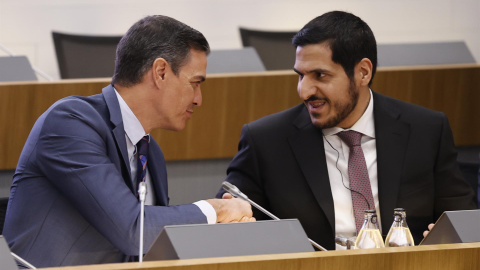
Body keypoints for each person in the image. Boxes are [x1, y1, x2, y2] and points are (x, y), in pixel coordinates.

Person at [3, 15, 254, 268]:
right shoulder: (70, 123)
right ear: (161, 72)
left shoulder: (151, 152)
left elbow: (151, 247)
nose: (199, 99)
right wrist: (216, 210)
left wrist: (223, 229)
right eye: (195, 83)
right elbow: (133, 230)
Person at [217, 11, 476, 250]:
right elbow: (229, 222)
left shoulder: (425, 130)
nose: (304, 91)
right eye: (300, 75)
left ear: (363, 72)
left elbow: (465, 223)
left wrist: (450, 238)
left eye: (320, 75)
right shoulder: (266, 141)